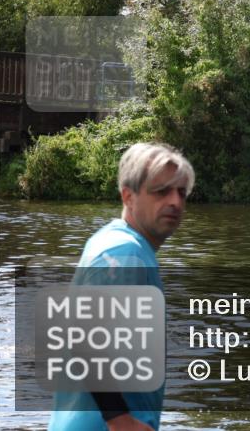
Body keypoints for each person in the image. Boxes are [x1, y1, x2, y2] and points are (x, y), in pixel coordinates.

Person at [48, 143, 195, 431]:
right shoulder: (126, 254)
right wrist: (120, 420)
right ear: (128, 196)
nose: (175, 202)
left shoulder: (115, 242)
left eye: (181, 192)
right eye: (161, 191)